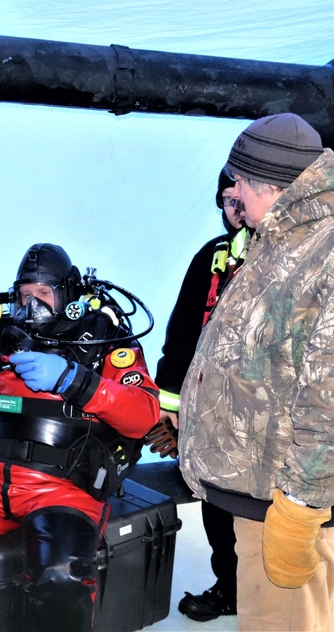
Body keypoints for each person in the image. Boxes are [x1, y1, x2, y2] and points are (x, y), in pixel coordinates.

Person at [178, 113, 334, 631]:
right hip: (261, 493)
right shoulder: (281, 245)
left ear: (274, 186)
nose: (233, 194)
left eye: (239, 182)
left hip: (290, 505)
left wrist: (300, 511)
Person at [0, 243, 160, 631]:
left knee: (64, 579)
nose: (32, 307)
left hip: (63, 490)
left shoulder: (102, 340)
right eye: (24, 296)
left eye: (43, 295)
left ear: (67, 295)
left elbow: (143, 416)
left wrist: (73, 380)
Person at [147, 169, 248, 621]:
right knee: (216, 506)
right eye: (228, 199)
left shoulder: (288, 260)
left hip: (262, 421)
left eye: (242, 196)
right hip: (209, 417)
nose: (237, 208)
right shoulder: (212, 258)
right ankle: (229, 588)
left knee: (260, 518)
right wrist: (170, 410)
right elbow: (181, 334)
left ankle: (266, 600)